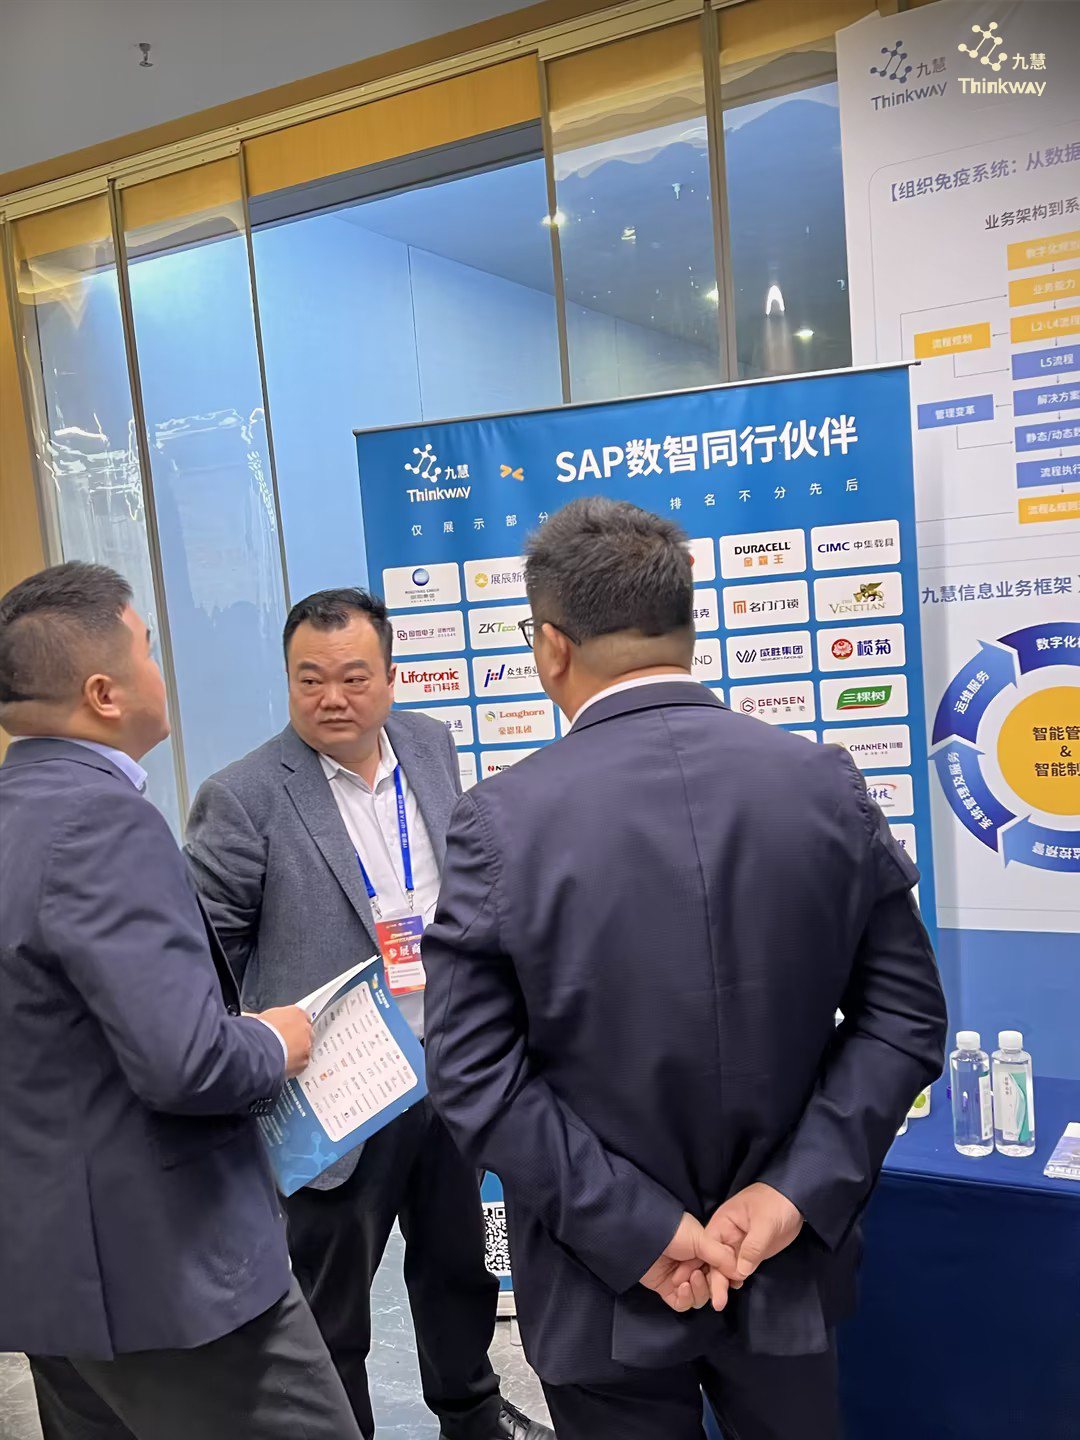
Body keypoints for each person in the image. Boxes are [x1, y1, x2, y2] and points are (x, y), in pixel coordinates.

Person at [422, 498, 949, 1440]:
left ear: (551, 646)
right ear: (688, 627)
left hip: (600, 1282)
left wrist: (637, 1227)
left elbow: (471, 1075)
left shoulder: (504, 821)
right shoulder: (820, 782)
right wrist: (793, 1192)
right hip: (781, 1264)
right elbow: (905, 1019)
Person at [0, 563, 362, 1440]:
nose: (162, 671)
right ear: (104, 693)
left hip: (53, 1272)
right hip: (168, 1277)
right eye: (148, 650)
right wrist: (274, 1041)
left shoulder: (19, 813)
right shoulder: (101, 822)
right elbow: (185, 1063)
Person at [184, 587, 552, 1440]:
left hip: (448, 1061)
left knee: (459, 1265)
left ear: (390, 677)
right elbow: (206, 956)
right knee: (333, 1293)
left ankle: (470, 1414)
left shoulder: (429, 744)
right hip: (337, 1085)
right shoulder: (243, 795)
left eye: (353, 678)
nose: (332, 699)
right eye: (309, 680)